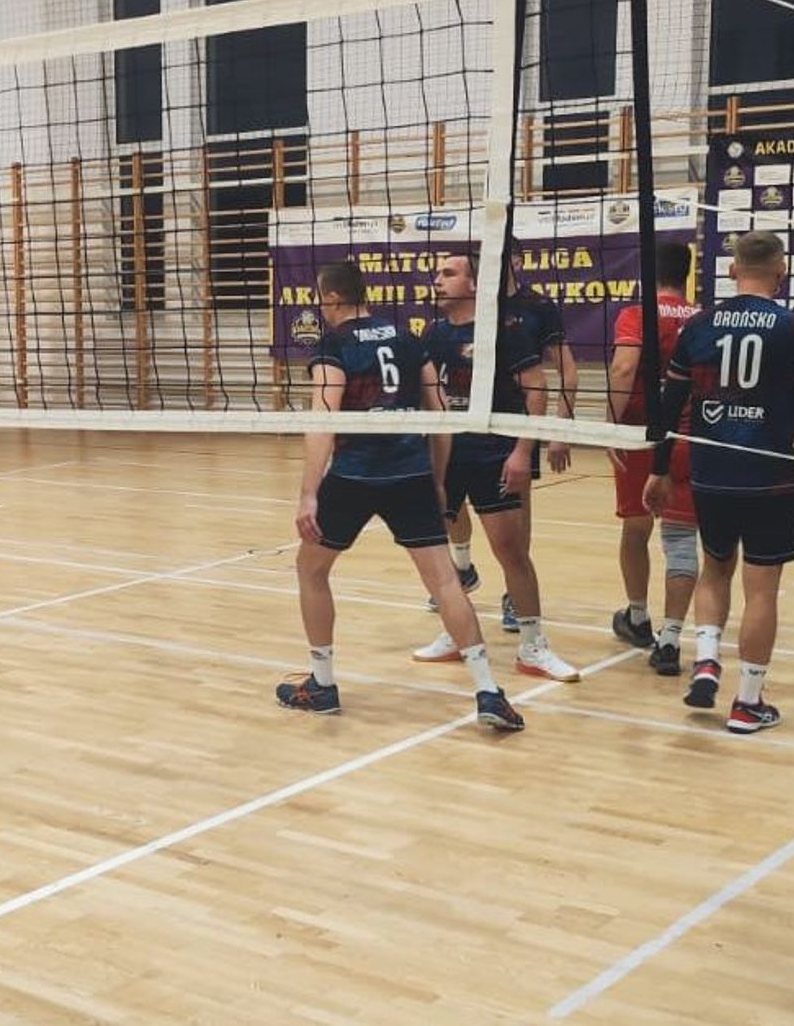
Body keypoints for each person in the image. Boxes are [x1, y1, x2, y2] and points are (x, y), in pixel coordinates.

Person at [275, 260, 523, 730]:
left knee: (311, 570)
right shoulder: (408, 339)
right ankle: (488, 691)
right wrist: (437, 479)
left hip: (354, 475)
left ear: (332, 298)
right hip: (410, 473)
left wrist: (309, 494)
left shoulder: (334, 344)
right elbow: (441, 414)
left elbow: (323, 421)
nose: (321, 309)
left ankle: (322, 684)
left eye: (321, 300)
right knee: (445, 582)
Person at [644, 231, 794, 734]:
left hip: (710, 473)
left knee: (715, 569)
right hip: (768, 476)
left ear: (732, 271)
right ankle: (748, 702)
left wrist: (659, 469)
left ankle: (707, 660)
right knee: (761, 589)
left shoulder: (699, 325)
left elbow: (669, 406)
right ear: (781, 273)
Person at [413, 253, 580, 682]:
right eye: (437, 273)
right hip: (448, 456)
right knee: (439, 552)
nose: (437, 280)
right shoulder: (433, 333)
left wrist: (523, 451)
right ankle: (456, 631)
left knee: (512, 553)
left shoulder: (504, 332)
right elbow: (430, 398)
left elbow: (537, 391)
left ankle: (533, 646)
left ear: (474, 284)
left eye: (448, 273)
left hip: (494, 453)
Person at [606, 241, 701, 676]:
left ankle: (638, 616)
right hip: (689, 433)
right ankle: (671, 636)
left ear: (648, 272)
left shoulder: (637, 314)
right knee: (681, 536)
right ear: (687, 274)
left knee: (636, 528)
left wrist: (609, 424)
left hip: (641, 434)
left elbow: (624, 369)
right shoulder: (700, 317)